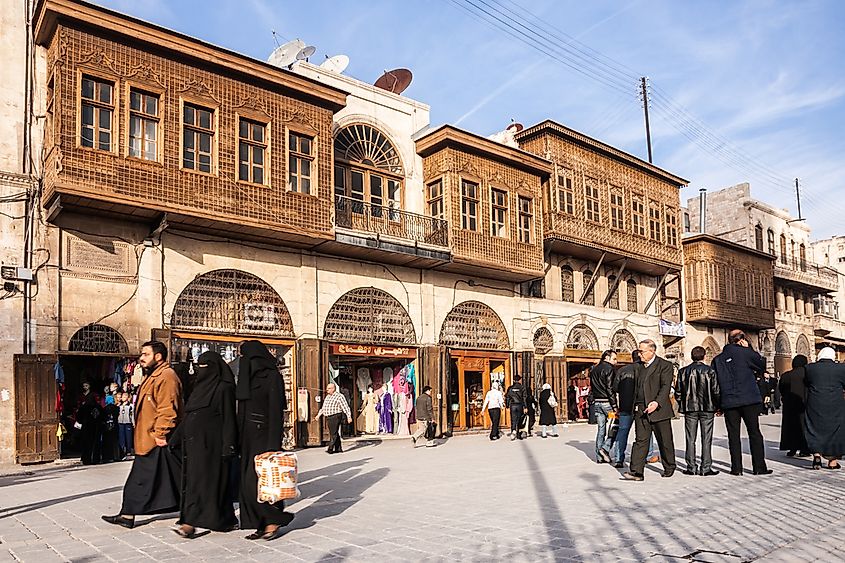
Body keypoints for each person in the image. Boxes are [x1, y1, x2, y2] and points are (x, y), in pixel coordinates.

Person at [102, 341, 183, 529]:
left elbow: (168, 408)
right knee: (167, 479)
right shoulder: (153, 376)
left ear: (158, 356)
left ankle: (128, 514)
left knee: (143, 480)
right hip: (148, 439)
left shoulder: (167, 376)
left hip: (156, 439)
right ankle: (128, 514)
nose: (141, 358)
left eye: (145, 354)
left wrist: (160, 433)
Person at [171, 351, 238, 539]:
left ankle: (190, 524)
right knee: (201, 483)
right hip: (193, 446)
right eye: (199, 365)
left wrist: (229, 445)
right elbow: (190, 416)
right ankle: (224, 519)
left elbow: (229, 419)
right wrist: (176, 438)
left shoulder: (224, 388)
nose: (200, 369)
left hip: (213, 446)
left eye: (204, 365)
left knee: (204, 483)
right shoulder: (199, 388)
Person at [238, 340, 293, 541]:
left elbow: (276, 412)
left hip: (264, 437)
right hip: (247, 437)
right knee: (247, 484)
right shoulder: (246, 378)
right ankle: (259, 523)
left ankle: (273, 520)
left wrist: (272, 446)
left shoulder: (272, 377)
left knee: (266, 482)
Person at [711, 329, 770, 476]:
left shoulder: (718, 359)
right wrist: (749, 349)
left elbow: (715, 384)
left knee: (733, 435)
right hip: (749, 399)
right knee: (754, 433)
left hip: (729, 401)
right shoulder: (745, 353)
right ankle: (759, 467)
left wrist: (718, 405)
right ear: (741, 340)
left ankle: (736, 468)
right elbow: (761, 364)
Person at [623, 340, 676, 481]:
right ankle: (636, 472)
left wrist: (656, 402)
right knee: (641, 441)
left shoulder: (665, 365)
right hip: (641, 410)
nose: (639, 354)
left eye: (642, 351)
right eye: (639, 351)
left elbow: (665, 387)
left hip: (659, 410)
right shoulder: (637, 367)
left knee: (664, 441)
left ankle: (669, 466)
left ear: (652, 351)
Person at [675, 346, 720, 476]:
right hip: (707, 408)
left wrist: (682, 404)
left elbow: (678, 392)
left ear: (692, 356)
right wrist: (717, 406)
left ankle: (691, 467)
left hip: (690, 408)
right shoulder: (710, 371)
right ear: (704, 356)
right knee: (706, 438)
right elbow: (716, 391)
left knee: (690, 438)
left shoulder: (683, 371)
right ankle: (705, 468)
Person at [804, 347, 845, 470]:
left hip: (815, 402)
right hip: (835, 403)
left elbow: (806, 383)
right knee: (835, 430)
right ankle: (832, 462)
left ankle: (816, 455)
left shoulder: (809, 368)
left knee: (814, 427)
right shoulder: (841, 368)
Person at [612, 350, 640, 468]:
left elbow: (615, 387)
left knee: (622, 432)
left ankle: (619, 458)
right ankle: (647, 456)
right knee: (644, 433)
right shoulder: (644, 370)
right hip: (640, 405)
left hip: (624, 405)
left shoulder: (622, 370)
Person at [779, 355, 810, 457]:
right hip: (804, 404)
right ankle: (804, 449)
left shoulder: (786, 375)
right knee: (803, 426)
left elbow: (781, 389)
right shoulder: (808, 375)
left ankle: (792, 448)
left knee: (791, 426)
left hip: (789, 405)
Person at [590, 350, 618, 463]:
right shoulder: (609, 369)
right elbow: (609, 388)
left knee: (601, 429)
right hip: (608, 404)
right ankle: (605, 448)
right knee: (615, 426)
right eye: (614, 358)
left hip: (597, 403)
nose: (616, 361)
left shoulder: (594, 369)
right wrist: (615, 405)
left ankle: (599, 456)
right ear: (607, 357)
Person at [315, 383, 352, 455]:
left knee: (333, 433)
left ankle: (330, 448)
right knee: (334, 432)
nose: (327, 390)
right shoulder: (328, 397)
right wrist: (318, 415)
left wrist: (349, 416)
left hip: (335, 416)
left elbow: (345, 407)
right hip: (329, 416)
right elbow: (324, 407)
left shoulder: (339, 396)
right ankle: (338, 449)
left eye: (328, 388)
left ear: (333, 389)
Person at [75, 382, 102, 466]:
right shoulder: (97, 407)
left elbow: (79, 417)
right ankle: (92, 458)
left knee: (89, 442)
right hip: (92, 425)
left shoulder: (86, 406)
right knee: (91, 442)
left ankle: (88, 459)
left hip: (89, 426)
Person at [505, 375, 528, 440]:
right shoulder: (522, 387)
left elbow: (507, 397)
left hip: (513, 405)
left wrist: (507, 405)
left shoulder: (510, 388)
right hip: (519, 405)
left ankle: (513, 431)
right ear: (519, 380)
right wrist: (525, 407)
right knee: (519, 419)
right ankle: (519, 434)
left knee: (513, 420)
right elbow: (524, 398)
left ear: (513, 380)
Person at [117, 392, 134, 459]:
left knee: (128, 438)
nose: (122, 398)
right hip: (121, 423)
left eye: (124, 397)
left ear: (127, 397)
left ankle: (128, 451)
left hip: (128, 423)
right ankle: (122, 452)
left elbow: (132, 415)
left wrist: (133, 422)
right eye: (122, 397)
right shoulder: (119, 405)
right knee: (121, 438)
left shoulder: (131, 406)